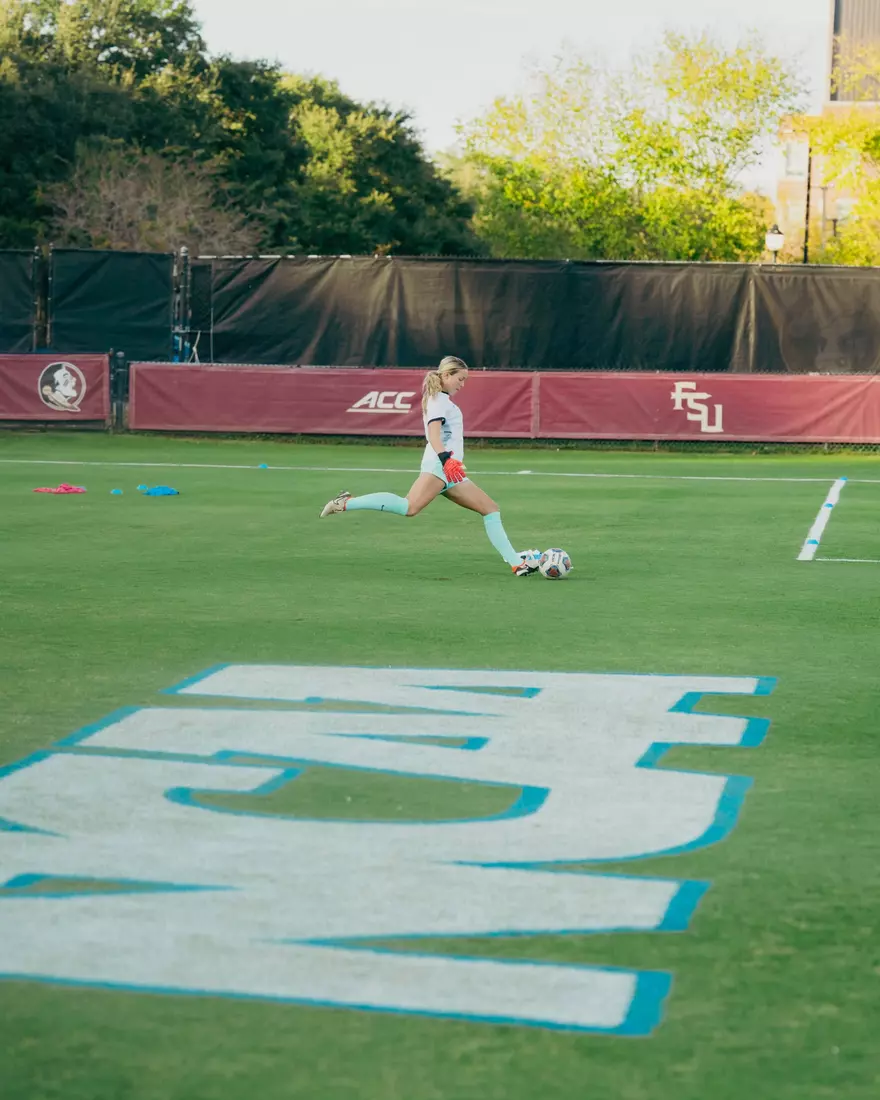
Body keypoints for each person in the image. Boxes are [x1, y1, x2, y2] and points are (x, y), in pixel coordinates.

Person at [320, 356, 539, 576]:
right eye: (460, 379)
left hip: (450, 470)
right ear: (446, 375)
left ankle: (516, 562)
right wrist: (446, 459)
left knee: (490, 509)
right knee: (409, 507)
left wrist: (449, 463)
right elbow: (433, 434)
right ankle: (346, 502)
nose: (462, 385)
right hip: (441, 466)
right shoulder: (438, 401)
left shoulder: (441, 400)